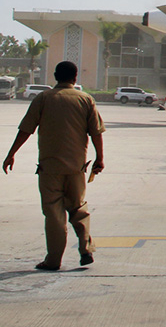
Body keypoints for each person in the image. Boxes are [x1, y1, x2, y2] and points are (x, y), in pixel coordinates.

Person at [3, 61, 105, 270]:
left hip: (50, 168)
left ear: (55, 76)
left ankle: (54, 260)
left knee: (53, 212)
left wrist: (11, 154)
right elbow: (96, 132)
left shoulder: (44, 98)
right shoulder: (86, 99)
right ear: (75, 77)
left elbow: (26, 129)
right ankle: (85, 249)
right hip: (76, 167)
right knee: (78, 208)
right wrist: (99, 158)